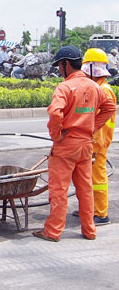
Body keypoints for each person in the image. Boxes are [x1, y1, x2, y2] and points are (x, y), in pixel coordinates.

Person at [33, 46, 116, 242]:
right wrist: (92, 127)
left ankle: (53, 231)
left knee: (59, 190)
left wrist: (56, 135)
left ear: (66, 64)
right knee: (85, 189)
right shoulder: (95, 86)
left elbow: (55, 113)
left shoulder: (65, 87)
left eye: (60, 66)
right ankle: (89, 230)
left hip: (67, 145)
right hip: (86, 144)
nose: (59, 70)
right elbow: (110, 107)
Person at [73, 48, 116, 225]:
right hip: (93, 142)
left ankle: (101, 213)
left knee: (97, 179)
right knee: (87, 178)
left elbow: (102, 123)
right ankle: (88, 208)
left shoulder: (103, 91)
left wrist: (95, 145)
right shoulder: (99, 87)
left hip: (98, 143)